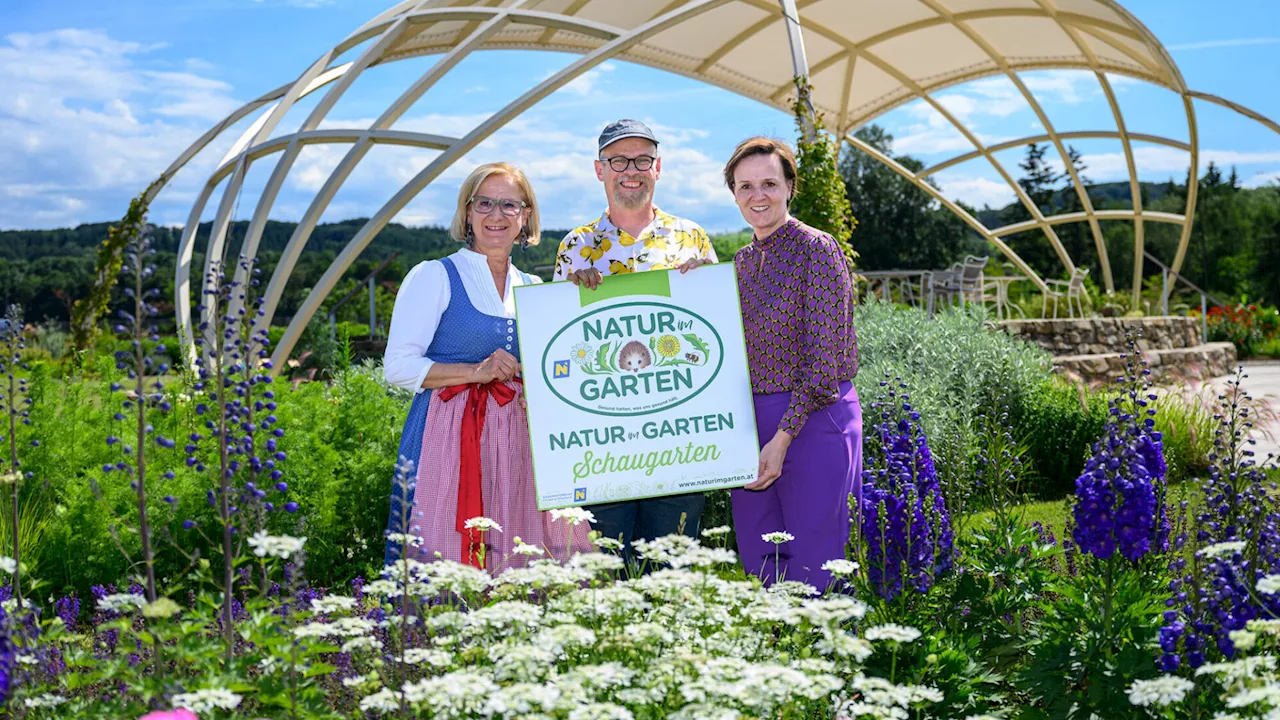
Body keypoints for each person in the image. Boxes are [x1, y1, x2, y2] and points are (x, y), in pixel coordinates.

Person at [382, 161, 592, 570]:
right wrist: (474, 372)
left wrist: (580, 301)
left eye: (509, 205)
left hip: (520, 441)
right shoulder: (435, 276)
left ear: (525, 216)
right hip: (450, 437)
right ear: (467, 213)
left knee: (528, 550)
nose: (496, 215)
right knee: (444, 555)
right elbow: (398, 367)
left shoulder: (533, 287)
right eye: (484, 204)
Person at [553, 119, 717, 565]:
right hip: (603, 443)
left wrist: (708, 288)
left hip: (678, 439)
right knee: (606, 570)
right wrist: (571, 293)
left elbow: (715, 335)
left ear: (658, 167)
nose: (631, 169)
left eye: (642, 159)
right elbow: (560, 344)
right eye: (618, 160)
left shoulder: (692, 239)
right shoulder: (576, 246)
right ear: (599, 169)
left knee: (672, 569)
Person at [722, 136, 862, 591]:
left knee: (815, 557)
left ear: (789, 187)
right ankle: (775, 655)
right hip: (752, 423)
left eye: (768, 183)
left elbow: (823, 365)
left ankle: (829, 656)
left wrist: (780, 440)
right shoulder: (740, 263)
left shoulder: (816, 251)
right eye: (745, 187)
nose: (757, 196)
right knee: (762, 553)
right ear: (734, 194)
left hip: (813, 420)